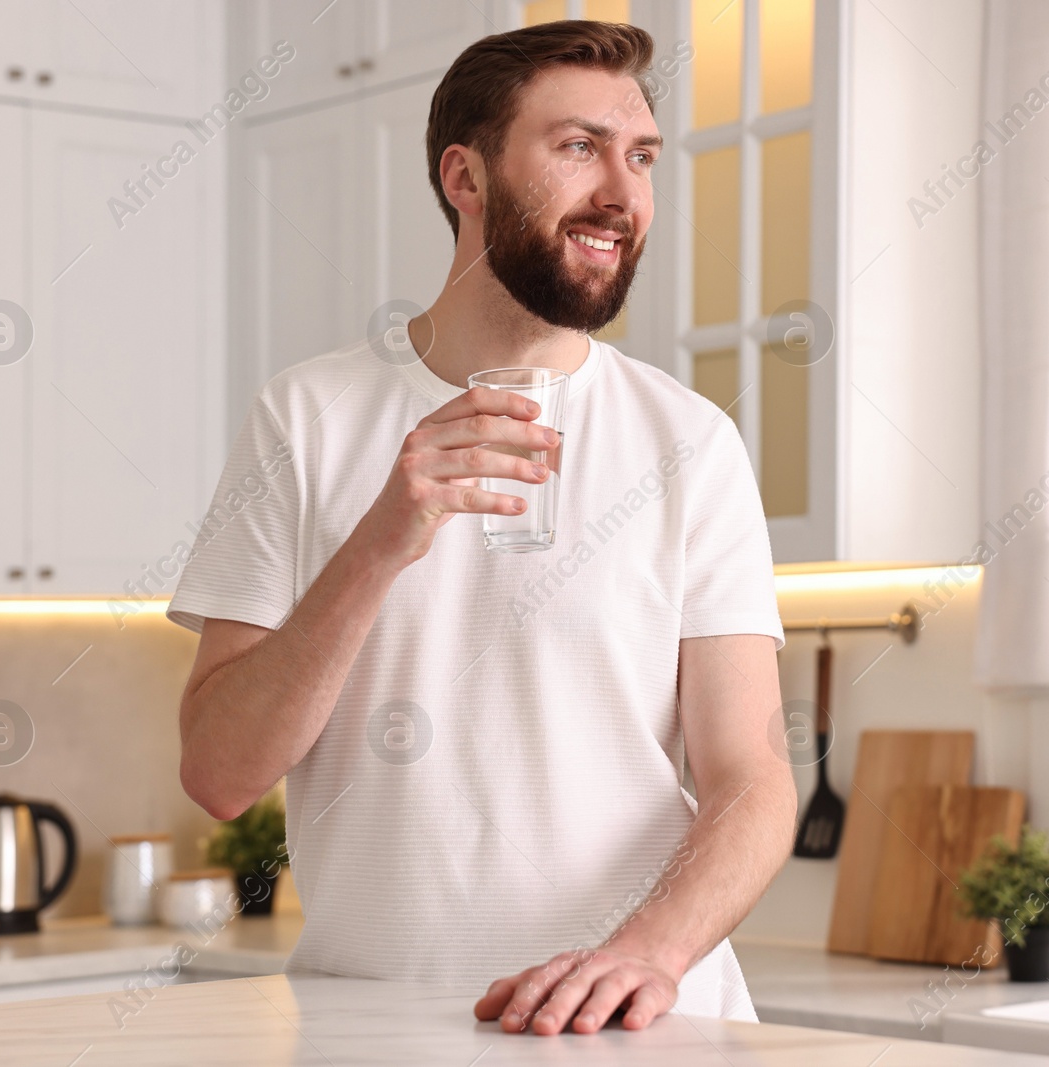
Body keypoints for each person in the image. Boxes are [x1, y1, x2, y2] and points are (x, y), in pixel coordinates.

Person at [168, 19, 794, 1037]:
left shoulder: (691, 441)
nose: (621, 192)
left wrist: (647, 950)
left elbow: (753, 778)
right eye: (576, 146)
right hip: (374, 1028)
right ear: (465, 177)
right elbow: (219, 773)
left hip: (629, 1029)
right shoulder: (308, 416)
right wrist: (382, 538)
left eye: (638, 156)